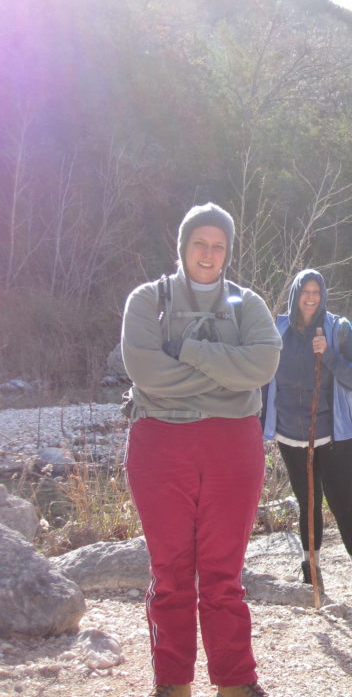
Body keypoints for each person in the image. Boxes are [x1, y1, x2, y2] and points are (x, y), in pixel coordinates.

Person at [121, 203, 282, 697]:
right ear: (183, 246)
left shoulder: (247, 303)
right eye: (200, 243)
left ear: (227, 251)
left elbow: (263, 365)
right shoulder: (148, 301)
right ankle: (173, 682)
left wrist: (189, 351)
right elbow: (145, 372)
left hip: (233, 448)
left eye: (219, 245)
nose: (209, 253)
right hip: (159, 444)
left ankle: (235, 681)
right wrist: (225, 377)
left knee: (223, 572)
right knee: (169, 571)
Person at [261, 268, 352, 605]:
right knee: (307, 504)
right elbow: (264, 379)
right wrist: (258, 422)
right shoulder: (277, 330)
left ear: (323, 295)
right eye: (304, 291)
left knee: (342, 504)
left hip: (337, 434)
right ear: (295, 294)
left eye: (316, 291)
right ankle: (311, 571)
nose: (310, 297)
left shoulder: (339, 329)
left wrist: (330, 356)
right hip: (292, 434)